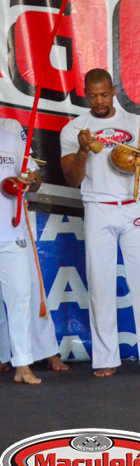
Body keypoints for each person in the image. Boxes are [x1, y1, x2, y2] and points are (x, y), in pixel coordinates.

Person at [59, 69, 140, 378]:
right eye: (93, 96)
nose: (99, 101)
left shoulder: (135, 123)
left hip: (133, 207)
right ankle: (105, 358)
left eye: (104, 94)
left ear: (113, 91)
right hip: (98, 208)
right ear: (85, 94)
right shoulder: (74, 129)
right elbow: (72, 180)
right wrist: (83, 150)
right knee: (100, 285)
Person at [0, 118, 43, 383]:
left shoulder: (12, 133)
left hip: (10, 233)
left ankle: (23, 366)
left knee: (20, 301)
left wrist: (29, 181)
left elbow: (34, 181)